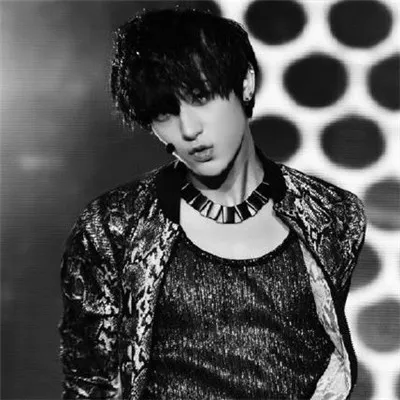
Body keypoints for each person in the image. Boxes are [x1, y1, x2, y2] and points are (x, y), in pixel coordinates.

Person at [58, 7, 367, 400]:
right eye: (165, 113)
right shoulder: (113, 227)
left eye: (201, 98)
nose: (189, 130)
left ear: (246, 83)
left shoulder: (333, 215)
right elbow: (90, 386)